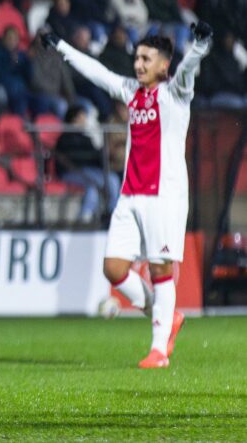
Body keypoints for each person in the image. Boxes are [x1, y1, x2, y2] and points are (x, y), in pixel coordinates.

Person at [42, 20, 213, 369]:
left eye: (147, 60)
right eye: (137, 58)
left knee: (160, 269)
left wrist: (199, 45)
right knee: (114, 269)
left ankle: (158, 350)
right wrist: (62, 47)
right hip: (130, 194)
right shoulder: (131, 91)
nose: (139, 65)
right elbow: (97, 72)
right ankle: (167, 318)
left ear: (164, 65)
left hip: (163, 197)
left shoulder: (175, 93)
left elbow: (189, 69)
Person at [54, 106, 121, 223]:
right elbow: (68, 161)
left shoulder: (86, 139)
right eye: (82, 117)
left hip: (91, 171)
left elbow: (95, 157)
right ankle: (85, 217)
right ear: (74, 119)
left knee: (113, 179)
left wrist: (103, 154)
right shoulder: (64, 139)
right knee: (93, 187)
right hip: (72, 172)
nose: (85, 121)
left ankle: (111, 212)